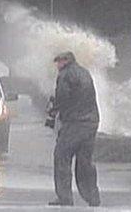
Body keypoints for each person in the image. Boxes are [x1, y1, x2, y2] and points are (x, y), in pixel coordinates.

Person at [48, 51, 101, 207]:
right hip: (91, 122)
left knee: (61, 156)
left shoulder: (65, 75)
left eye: (58, 62)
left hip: (75, 122)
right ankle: (93, 197)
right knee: (85, 161)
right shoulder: (84, 72)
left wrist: (54, 109)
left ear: (65, 61)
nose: (57, 65)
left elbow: (63, 96)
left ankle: (65, 197)